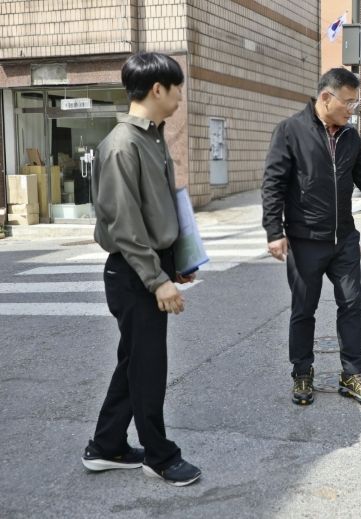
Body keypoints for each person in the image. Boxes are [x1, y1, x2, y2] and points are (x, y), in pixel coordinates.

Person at [262, 67, 361, 406]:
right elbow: (273, 184)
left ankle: (352, 374)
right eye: (348, 102)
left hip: (344, 240)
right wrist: (274, 231)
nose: (353, 109)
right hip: (305, 240)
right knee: (303, 309)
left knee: (351, 305)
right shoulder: (290, 131)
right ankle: (302, 372)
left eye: (355, 103)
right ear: (325, 97)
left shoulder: (350, 137)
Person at [81, 52, 201, 487]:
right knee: (148, 367)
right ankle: (159, 455)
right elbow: (125, 226)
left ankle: (106, 445)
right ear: (157, 89)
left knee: (135, 361)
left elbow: (158, 211)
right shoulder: (122, 145)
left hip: (149, 265)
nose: (180, 97)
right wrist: (157, 280)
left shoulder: (152, 137)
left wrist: (177, 262)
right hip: (133, 272)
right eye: (177, 89)